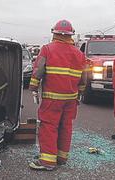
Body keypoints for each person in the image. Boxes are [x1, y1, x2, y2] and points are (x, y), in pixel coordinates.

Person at [28, 20, 87, 171]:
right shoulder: (79, 54)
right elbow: (83, 78)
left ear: (55, 33)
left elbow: (38, 70)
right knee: (65, 126)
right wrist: (79, 93)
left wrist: (34, 87)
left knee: (49, 127)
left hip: (52, 98)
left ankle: (47, 161)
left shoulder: (47, 49)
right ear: (70, 35)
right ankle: (61, 157)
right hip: (71, 99)